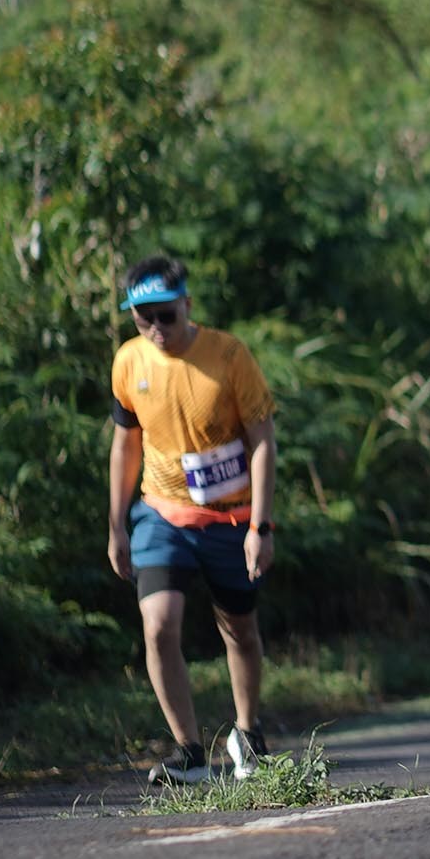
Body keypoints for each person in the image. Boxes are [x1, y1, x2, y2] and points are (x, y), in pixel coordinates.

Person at [107, 254, 277, 785]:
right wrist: (116, 525)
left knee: (240, 630)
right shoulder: (129, 362)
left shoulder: (228, 355)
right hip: (162, 515)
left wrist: (261, 527)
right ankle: (189, 752)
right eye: (144, 317)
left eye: (167, 314)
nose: (156, 327)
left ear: (188, 304)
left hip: (231, 519)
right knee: (158, 626)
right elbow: (125, 445)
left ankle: (247, 735)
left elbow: (263, 440)